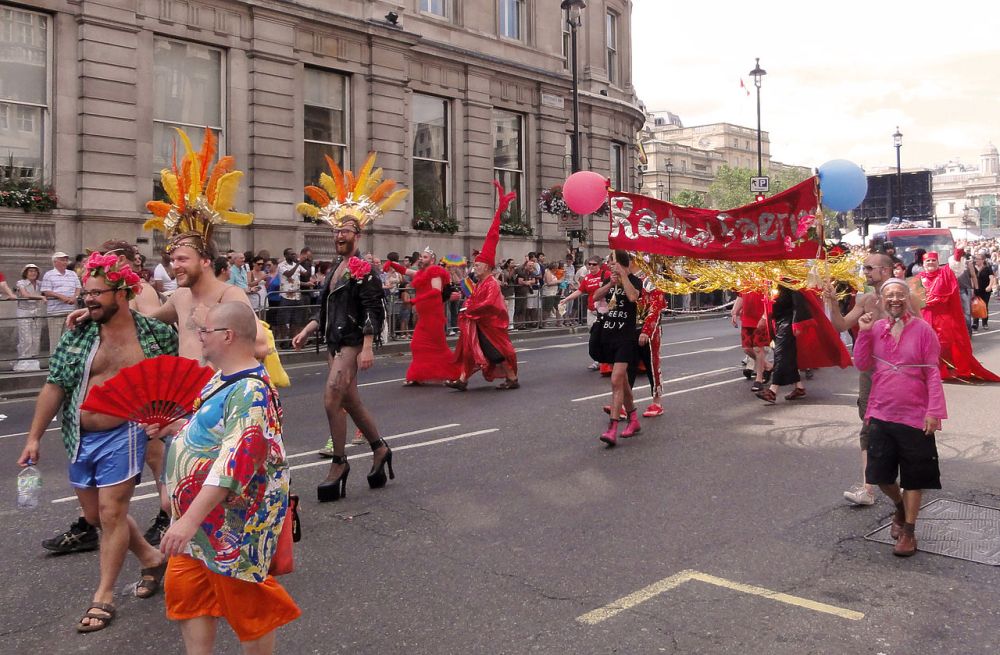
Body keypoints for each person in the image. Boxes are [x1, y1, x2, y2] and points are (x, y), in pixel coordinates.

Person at [17, 253, 174, 631]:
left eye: (97, 293)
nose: (88, 300)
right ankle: (151, 557)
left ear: (123, 292)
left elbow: (171, 380)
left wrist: (166, 421)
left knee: (112, 512)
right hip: (79, 434)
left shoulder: (155, 335)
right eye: (86, 292)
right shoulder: (80, 332)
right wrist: (34, 437)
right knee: (94, 516)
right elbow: (55, 385)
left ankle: (103, 595)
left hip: (128, 432)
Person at [156, 302, 300, 654]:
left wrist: (188, 520)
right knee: (190, 595)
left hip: (231, 524)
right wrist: (178, 428)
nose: (200, 338)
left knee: (248, 608)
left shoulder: (251, 392)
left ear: (228, 335)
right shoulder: (222, 379)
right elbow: (215, 431)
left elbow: (233, 464)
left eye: (205, 332)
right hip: (200, 522)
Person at [292, 152, 405, 502]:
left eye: (347, 230)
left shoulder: (363, 269)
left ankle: (339, 463)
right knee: (350, 400)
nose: (340, 233)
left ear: (358, 234)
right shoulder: (334, 269)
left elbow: (374, 307)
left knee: (331, 398)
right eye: (337, 229)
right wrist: (309, 328)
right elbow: (330, 309)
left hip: (353, 341)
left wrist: (369, 344)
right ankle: (379, 448)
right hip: (332, 340)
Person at [854, 278, 947, 557]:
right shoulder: (876, 328)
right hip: (881, 411)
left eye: (900, 295)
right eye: (889, 295)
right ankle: (899, 506)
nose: (895, 300)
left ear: (908, 300)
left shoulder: (923, 330)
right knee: (880, 476)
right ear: (882, 301)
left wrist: (934, 412)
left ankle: (908, 530)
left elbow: (932, 372)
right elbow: (861, 363)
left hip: (914, 416)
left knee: (914, 477)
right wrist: (864, 333)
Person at [825, 252, 894, 507]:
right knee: (868, 423)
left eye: (868, 268)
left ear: (885, 270)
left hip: (897, 373)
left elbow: (919, 330)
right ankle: (868, 488)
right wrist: (833, 303)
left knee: (901, 425)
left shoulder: (901, 297)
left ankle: (910, 476)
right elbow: (841, 326)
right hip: (870, 370)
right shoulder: (865, 299)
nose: (864, 272)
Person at [447, 182, 519, 392]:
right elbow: (471, 295)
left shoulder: (491, 283)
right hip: (478, 324)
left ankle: (512, 378)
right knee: (471, 351)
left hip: (489, 326)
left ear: (486, 266)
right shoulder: (481, 282)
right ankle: (462, 379)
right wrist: (460, 279)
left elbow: (490, 304)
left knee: (494, 352)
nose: (474, 267)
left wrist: (471, 309)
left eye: (477, 264)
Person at [918, 251, 1000, 382]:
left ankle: (949, 369)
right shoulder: (919, 278)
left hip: (943, 318)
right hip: (926, 317)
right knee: (926, 346)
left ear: (938, 262)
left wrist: (957, 254)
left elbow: (955, 266)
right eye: (928, 261)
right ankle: (932, 371)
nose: (931, 263)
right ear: (923, 264)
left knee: (944, 344)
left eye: (933, 260)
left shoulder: (944, 274)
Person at [384, 248, 459, 385]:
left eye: (424, 257)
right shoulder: (422, 272)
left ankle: (455, 373)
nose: (421, 259)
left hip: (433, 316)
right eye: (421, 257)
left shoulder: (434, 271)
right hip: (424, 315)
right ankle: (418, 375)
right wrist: (391, 264)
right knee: (417, 345)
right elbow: (405, 271)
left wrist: (414, 301)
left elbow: (436, 291)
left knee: (439, 347)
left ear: (432, 260)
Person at [591, 252, 642, 446]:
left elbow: (632, 297)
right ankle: (634, 419)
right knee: (623, 383)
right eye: (609, 263)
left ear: (623, 264)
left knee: (615, 380)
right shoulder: (608, 279)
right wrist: (611, 284)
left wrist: (624, 276)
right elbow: (595, 297)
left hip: (625, 337)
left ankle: (612, 428)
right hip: (609, 335)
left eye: (613, 263)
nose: (610, 266)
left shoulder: (634, 280)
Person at [40, 251, 82, 356]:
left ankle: (68, 362)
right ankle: (54, 363)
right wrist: (61, 297)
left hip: (70, 311)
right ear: (55, 262)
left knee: (70, 338)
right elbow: (46, 291)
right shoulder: (49, 275)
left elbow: (78, 288)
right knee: (56, 339)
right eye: (62, 260)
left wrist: (74, 297)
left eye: (66, 260)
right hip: (55, 312)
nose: (65, 262)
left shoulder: (72, 274)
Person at [731, 290, 772, 393]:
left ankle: (759, 379)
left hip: (761, 318)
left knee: (759, 349)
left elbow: (771, 297)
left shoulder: (765, 277)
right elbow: (741, 295)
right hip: (747, 318)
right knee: (747, 349)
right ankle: (768, 366)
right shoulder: (746, 277)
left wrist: (765, 316)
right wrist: (734, 311)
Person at [14, 264, 45, 371]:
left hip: (37, 312)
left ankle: (33, 358)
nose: (33, 273)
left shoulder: (40, 284)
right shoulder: (21, 283)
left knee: (36, 337)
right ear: (26, 273)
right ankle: (24, 359)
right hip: (24, 312)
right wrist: (41, 297)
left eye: (35, 271)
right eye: (30, 271)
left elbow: (48, 292)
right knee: (26, 337)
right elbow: (25, 294)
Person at [972, 250, 996, 330]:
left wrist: (989, 286)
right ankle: (975, 323)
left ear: (983, 260)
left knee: (984, 306)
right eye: (975, 259)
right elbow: (970, 278)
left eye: (978, 259)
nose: (976, 260)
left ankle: (985, 323)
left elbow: (992, 278)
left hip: (985, 291)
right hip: (976, 290)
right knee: (975, 306)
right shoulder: (972, 268)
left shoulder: (987, 268)